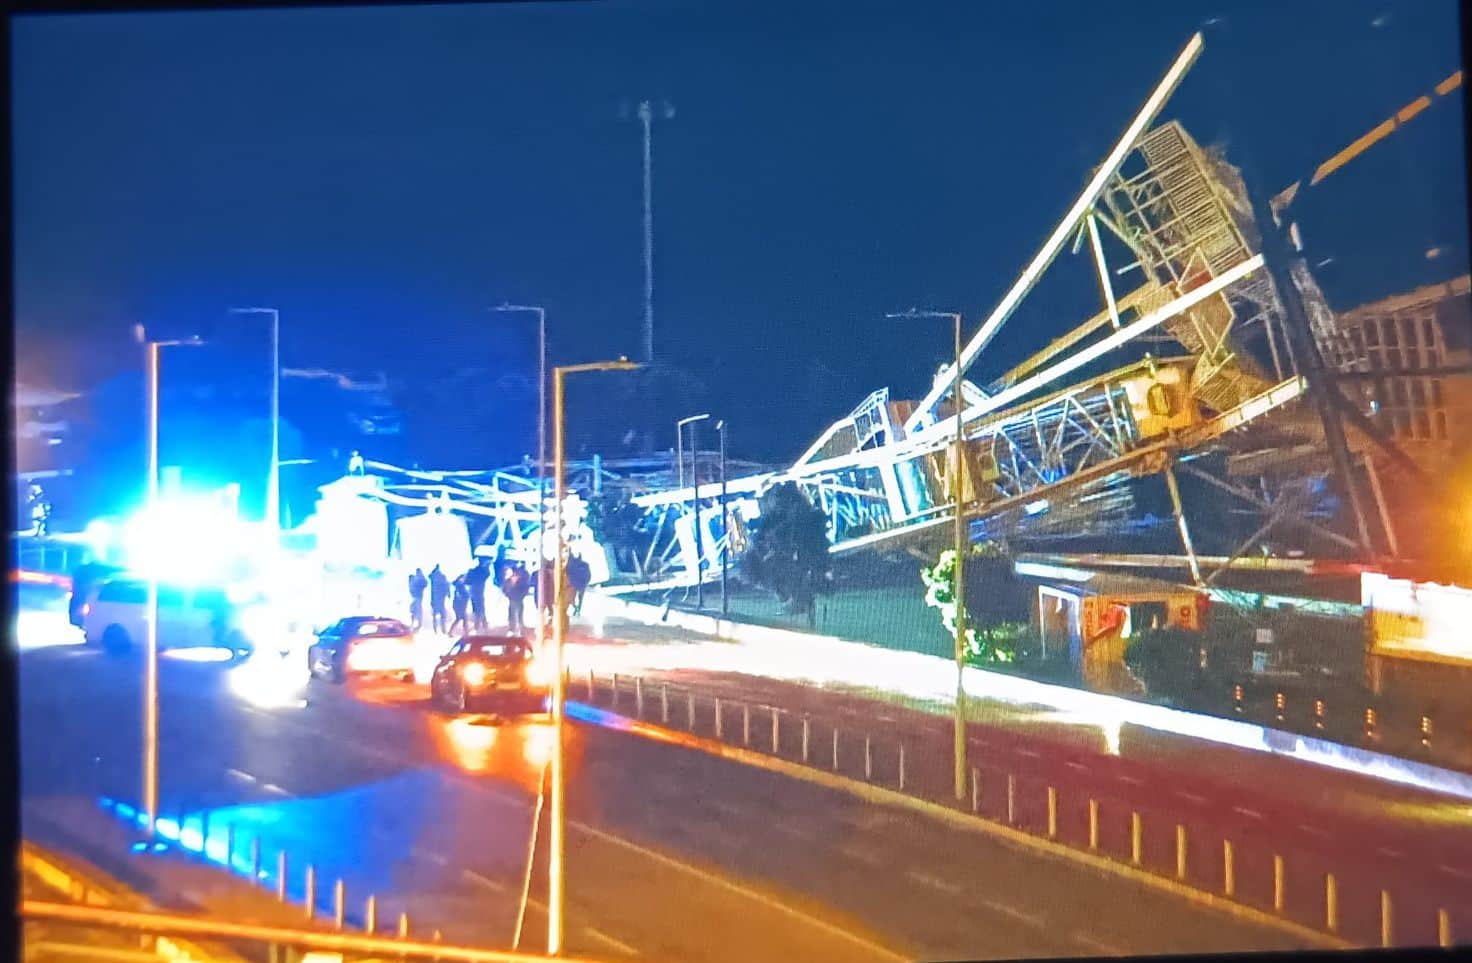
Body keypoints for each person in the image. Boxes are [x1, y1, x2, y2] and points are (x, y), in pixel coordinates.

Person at [502, 563, 530, 635]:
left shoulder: (521, 581)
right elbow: (504, 589)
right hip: (513, 599)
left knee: (518, 614)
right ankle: (513, 629)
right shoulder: (509, 580)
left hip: (518, 599)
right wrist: (508, 594)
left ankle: (519, 629)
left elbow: (525, 589)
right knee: (513, 614)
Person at [465, 559, 490, 632]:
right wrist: (486, 566)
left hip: (473, 592)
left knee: (476, 611)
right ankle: (483, 626)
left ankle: (478, 626)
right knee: (481, 609)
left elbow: (467, 582)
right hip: (479, 592)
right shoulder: (483, 571)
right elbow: (487, 575)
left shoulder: (471, 571)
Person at [428, 564, 450, 634]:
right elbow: (446, 585)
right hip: (440, 598)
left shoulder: (433, 578)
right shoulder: (442, 577)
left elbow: (430, 576)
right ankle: (443, 629)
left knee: (436, 615)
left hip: (435, 598)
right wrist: (448, 593)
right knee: (442, 615)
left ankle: (436, 630)